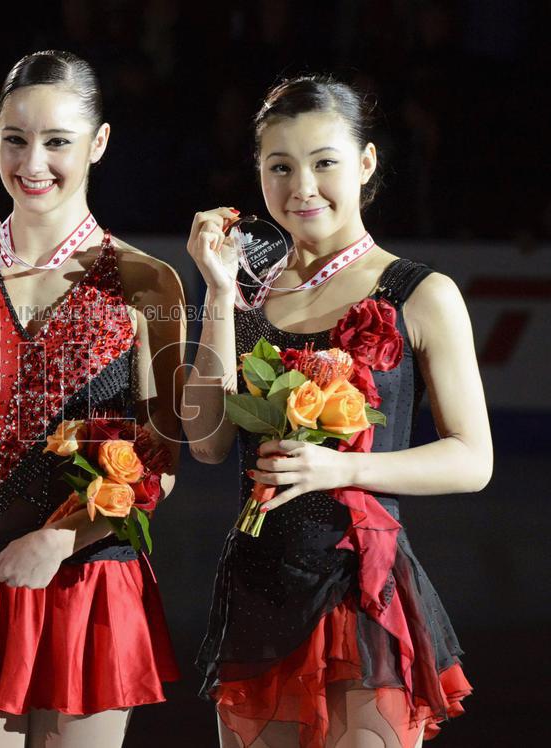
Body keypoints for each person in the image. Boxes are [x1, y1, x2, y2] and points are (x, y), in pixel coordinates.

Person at [183, 75, 492, 748]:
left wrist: (335, 469)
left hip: (364, 590)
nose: (303, 187)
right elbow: (205, 444)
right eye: (280, 167)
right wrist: (215, 293)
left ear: (366, 163)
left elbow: (472, 460)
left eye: (325, 162)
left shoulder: (420, 293)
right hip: (259, 589)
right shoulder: (244, 293)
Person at [0, 50, 185, 748]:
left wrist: (62, 538)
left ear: (99, 143)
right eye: (15, 140)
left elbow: (162, 461)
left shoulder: (147, 283)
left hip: (87, 579)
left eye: (58, 142)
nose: (33, 163)